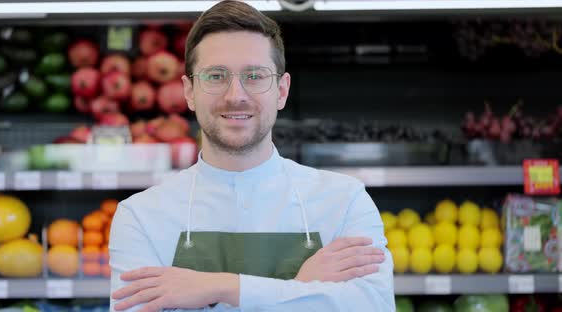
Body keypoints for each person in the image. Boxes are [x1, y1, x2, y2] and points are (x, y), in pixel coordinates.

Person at [109, 1, 394, 311]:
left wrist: (223, 288)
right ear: (189, 92)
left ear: (282, 91)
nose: (235, 96)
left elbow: (374, 306)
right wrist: (302, 290)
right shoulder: (140, 217)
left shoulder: (344, 201)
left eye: (255, 76)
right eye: (216, 76)